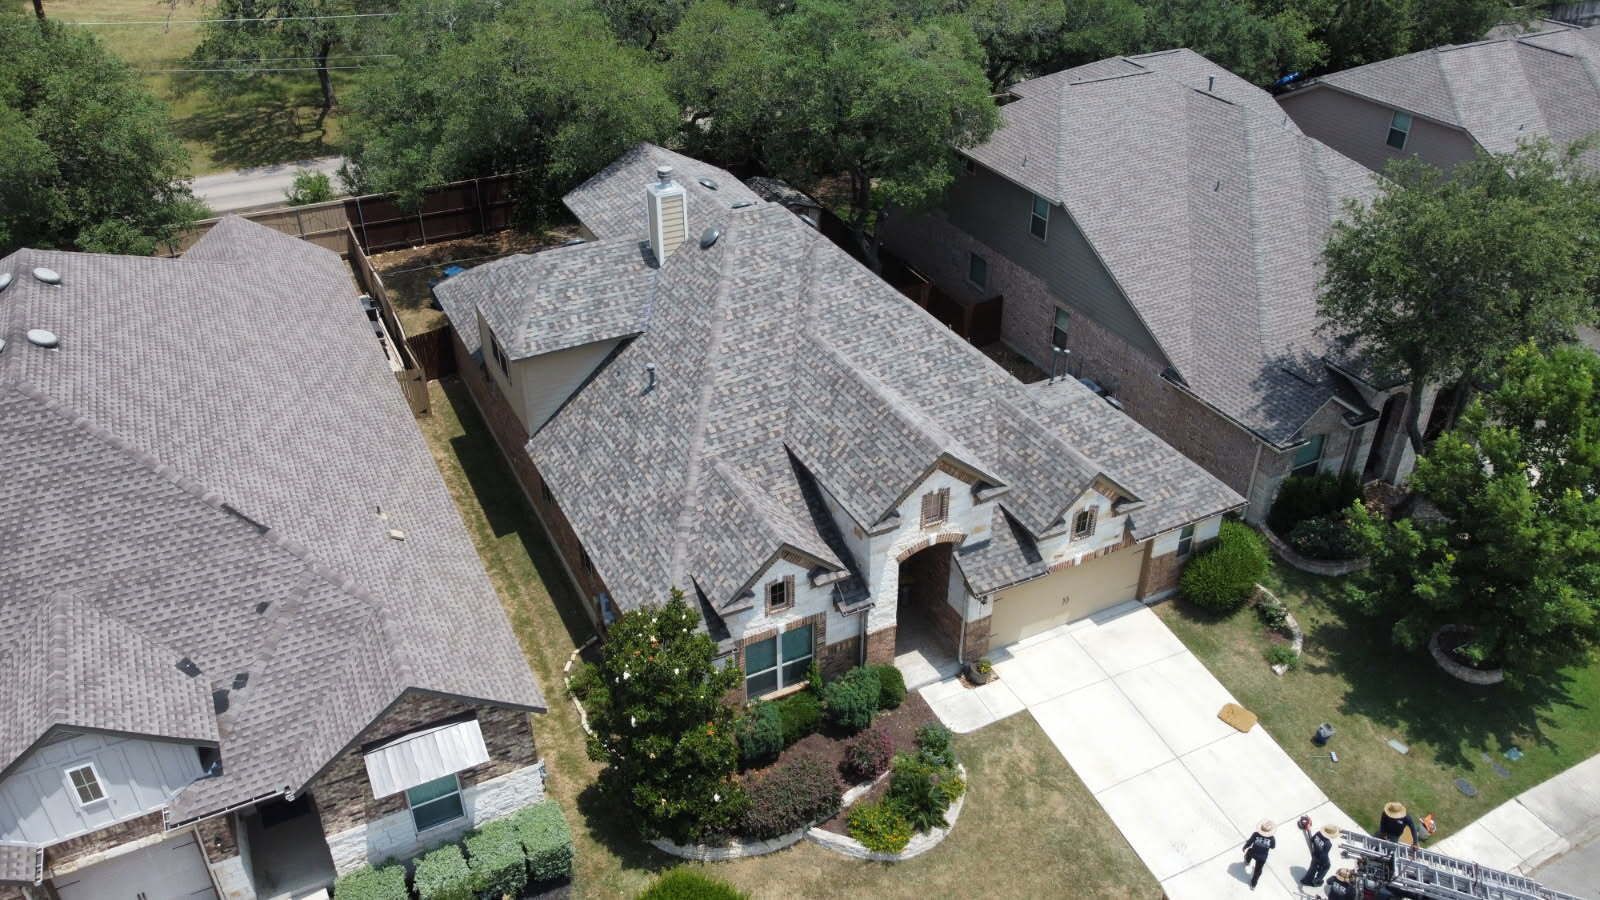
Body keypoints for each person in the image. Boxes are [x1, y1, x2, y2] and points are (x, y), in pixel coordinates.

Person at [1242, 820, 1276, 890]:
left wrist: (1245, 846)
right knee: (1257, 871)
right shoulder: (1272, 838)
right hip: (1262, 857)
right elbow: (1273, 847)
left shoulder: (1256, 834)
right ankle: (1253, 884)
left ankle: (1247, 861)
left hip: (1253, 852)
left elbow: (1250, 841)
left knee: (1249, 852)